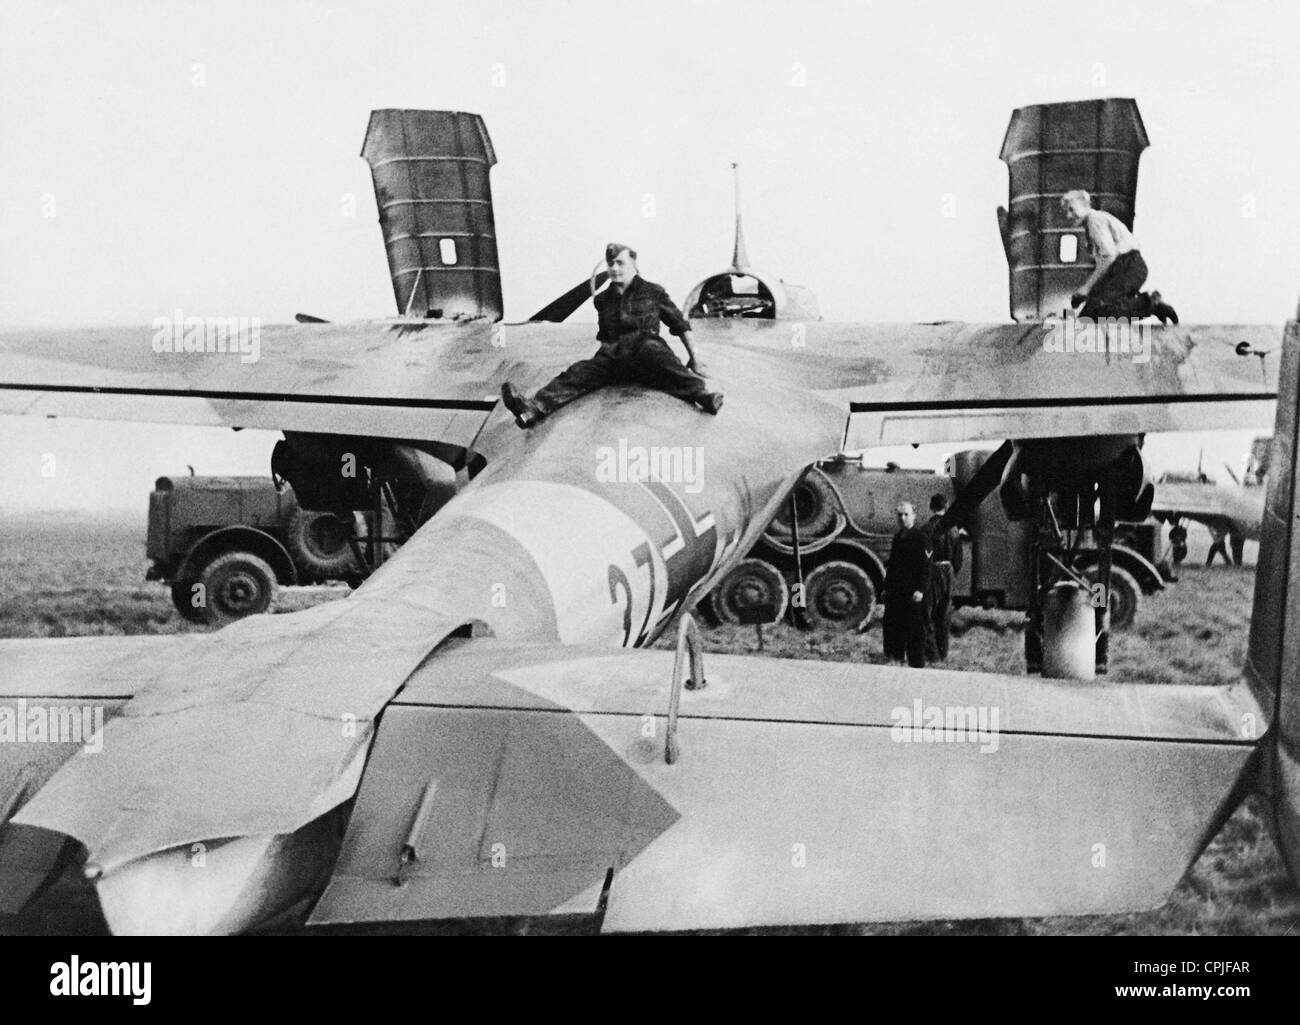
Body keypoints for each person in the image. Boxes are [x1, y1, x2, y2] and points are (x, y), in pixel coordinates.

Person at [500, 243, 724, 428]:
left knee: (664, 362)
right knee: (577, 373)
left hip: (646, 351)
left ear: (633, 264)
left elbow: (679, 324)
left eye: (620, 263)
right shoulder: (603, 299)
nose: (615, 268)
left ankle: (702, 395)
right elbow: (605, 336)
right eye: (611, 263)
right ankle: (533, 409)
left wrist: (694, 357)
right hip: (613, 357)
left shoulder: (653, 292)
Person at [1059, 190, 1178, 325]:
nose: (1068, 215)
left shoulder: (1094, 220)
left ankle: (1150, 304)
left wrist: (1086, 288)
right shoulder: (1092, 224)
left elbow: (1108, 257)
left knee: (1098, 312)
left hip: (1129, 266)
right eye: (1065, 212)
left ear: (1085, 206)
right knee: (1088, 315)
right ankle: (1146, 303)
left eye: (1072, 209)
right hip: (1123, 267)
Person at [882, 502, 931, 668]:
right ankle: (896, 658)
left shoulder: (921, 538)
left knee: (915, 629)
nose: (902, 518)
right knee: (895, 626)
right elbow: (894, 565)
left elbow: (926, 566)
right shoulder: (898, 537)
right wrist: (886, 588)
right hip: (896, 591)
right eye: (900, 515)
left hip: (912, 592)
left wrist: (921, 590)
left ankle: (916, 662)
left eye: (906, 515)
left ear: (914, 516)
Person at [922, 493, 963, 662]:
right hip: (948, 571)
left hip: (932, 571)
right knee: (944, 615)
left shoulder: (926, 528)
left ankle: (931, 654)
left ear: (932, 508)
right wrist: (952, 573)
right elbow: (959, 558)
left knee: (928, 613)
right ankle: (943, 653)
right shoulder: (953, 529)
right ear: (946, 507)